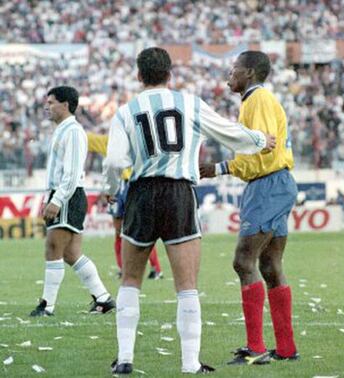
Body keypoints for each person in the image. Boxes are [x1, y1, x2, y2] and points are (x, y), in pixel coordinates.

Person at [103, 47, 276, 375]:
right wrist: (258, 140)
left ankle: (125, 360)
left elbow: (113, 161)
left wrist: (112, 190)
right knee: (186, 284)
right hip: (178, 192)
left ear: (139, 76)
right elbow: (228, 132)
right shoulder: (189, 103)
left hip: (141, 193)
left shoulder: (126, 112)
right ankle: (189, 364)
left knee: (130, 280)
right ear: (171, 75)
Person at [200, 51, 299, 365]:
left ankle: (256, 348)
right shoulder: (260, 100)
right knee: (269, 265)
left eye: (234, 69)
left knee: (244, 261)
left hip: (267, 184)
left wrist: (220, 168)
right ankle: (285, 348)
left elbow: (261, 147)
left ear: (250, 72)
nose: (229, 75)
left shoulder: (256, 100)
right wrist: (220, 168)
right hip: (277, 182)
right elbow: (261, 147)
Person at [30, 86, 115, 317]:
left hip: (68, 194)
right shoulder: (62, 130)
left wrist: (57, 199)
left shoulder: (74, 131)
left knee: (53, 247)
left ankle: (47, 306)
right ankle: (103, 298)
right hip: (64, 194)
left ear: (66, 104)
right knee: (71, 254)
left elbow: (72, 171)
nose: (47, 106)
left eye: (51, 102)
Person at [87, 132, 163, 279]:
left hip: (132, 185)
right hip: (121, 186)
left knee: (137, 232)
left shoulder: (129, 141)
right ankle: (127, 269)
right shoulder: (112, 141)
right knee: (122, 232)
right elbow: (87, 138)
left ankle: (154, 269)